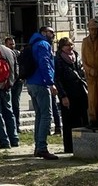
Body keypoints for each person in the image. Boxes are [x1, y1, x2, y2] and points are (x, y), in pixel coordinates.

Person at [26, 26, 59, 160]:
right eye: (51, 32)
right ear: (44, 33)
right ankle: (42, 148)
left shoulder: (33, 43)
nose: (53, 34)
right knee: (46, 115)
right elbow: (45, 63)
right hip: (41, 83)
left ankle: (37, 147)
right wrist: (51, 83)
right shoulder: (43, 44)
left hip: (31, 83)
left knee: (39, 115)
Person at [54, 37, 89, 154]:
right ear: (61, 47)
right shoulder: (58, 59)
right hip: (68, 93)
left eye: (71, 45)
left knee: (82, 119)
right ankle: (70, 147)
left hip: (81, 92)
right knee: (70, 121)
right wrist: (63, 96)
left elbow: (81, 72)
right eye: (67, 45)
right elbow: (58, 79)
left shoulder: (77, 56)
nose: (70, 47)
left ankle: (82, 144)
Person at [4, 36, 24, 132]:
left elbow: (21, 66)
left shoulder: (18, 53)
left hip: (17, 82)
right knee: (7, 104)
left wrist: (22, 77)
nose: (12, 45)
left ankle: (16, 124)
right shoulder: (4, 54)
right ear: (6, 44)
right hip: (7, 81)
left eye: (13, 44)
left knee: (15, 103)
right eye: (10, 44)